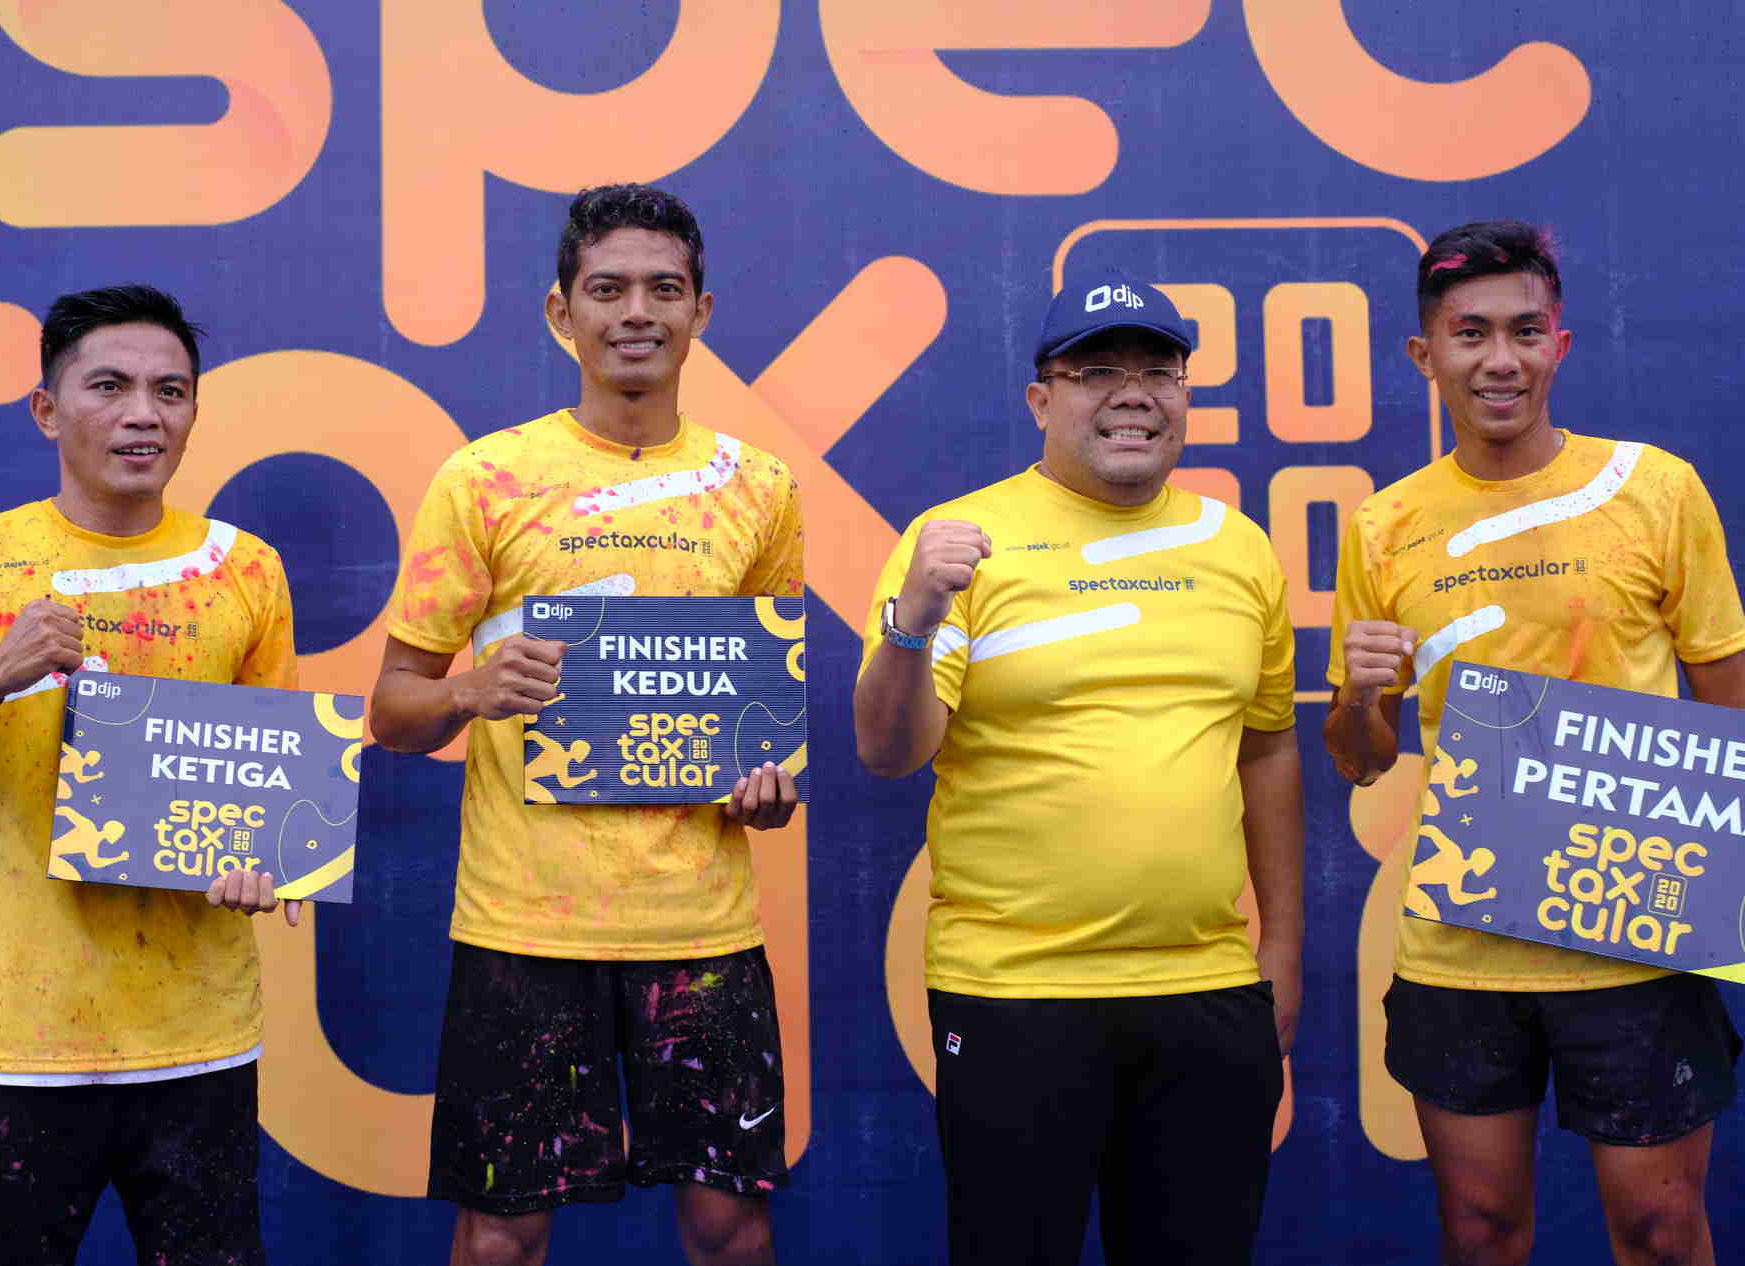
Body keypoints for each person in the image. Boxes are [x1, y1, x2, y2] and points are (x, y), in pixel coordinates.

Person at [369, 184, 803, 1266]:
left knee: (731, 1231)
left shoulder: (760, 487)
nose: (637, 312)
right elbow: (393, 710)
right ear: (561, 312)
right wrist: (469, 691)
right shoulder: (484, 479)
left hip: (701, 932)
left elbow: (765, 729)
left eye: (665, 288)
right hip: (523, 928)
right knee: (501, 1239)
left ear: (702, 310)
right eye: (607, 289)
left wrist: (769, 788)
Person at [853, 271, 1303, 1265]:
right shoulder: (957, 543)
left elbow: (1268, 750)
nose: (1131, 394)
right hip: (1014, 994)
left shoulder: (1240, 548)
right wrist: (911, 623)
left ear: (1186, 395)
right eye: (1096, 372)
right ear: (1040, 400)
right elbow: (888, 752)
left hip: (1207, 990)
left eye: (1157, 371)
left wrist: (1283, 948)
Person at [0, 284, 302, 1265]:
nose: (145, 414)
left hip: (201, 1041)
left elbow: (265, 794)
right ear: (47, 410)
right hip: (21, 1046)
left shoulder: (247, 569)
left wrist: (265, 859)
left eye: (171, 391)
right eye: (110, 386)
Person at [1325, 219, 1745, 1266]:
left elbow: (1728, 704)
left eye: (1523, 331)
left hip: (1632, 930)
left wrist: (1702, 874)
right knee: (1480, 1235)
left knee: (1660, 1233)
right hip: (1460, 947)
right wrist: (1362, 696)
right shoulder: (1384, 526)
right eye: (1469, 334)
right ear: (1426, 355)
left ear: (1559, 345)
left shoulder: (1655, 488)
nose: (1499, 360)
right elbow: (1360, 756)